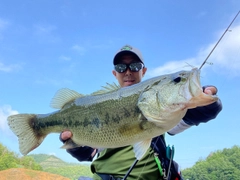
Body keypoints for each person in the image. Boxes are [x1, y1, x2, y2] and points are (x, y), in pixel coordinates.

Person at [60, 45, 222, 180]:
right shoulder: (97, 110)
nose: (128, 71)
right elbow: (87, 154)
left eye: (135, 66)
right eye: (121, 67)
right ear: (114, 73)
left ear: (143, 71)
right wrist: (74, 145)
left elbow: (188, 117)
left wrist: (204, 103)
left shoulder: (164, 112)